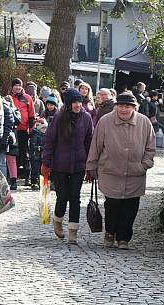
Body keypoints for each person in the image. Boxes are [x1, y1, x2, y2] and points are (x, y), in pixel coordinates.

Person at [86, 90, 155, 249]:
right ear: (116, 106)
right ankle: (110, 232)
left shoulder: (144, 122)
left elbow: (150, 148)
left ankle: (124, 237)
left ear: (134, 107)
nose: (124, 109)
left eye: (128, 106)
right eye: (121, 106)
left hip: (135, 174)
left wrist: (144, 165)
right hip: (110, 171)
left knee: (131, 207)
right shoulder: (105, 121)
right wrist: (91, 167)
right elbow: (96, 146)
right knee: (112, 205)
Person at [41, 88, 94, 245]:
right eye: (74, 102)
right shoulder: (59, 117)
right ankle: (57, 220)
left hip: (79, 164)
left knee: (75, 198)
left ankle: (73, 231)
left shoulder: (86, 117)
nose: (78, 105)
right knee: (62, 197)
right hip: (60, 164)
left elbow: (89, 142)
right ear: (68, 104)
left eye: (79, 102)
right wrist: (46, 162)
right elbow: (50, 141)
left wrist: (90, 166)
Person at [11, 78, 35, 185]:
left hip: (24, 130)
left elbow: (31, 115)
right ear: (12, 87)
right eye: (15, 85)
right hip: (12, 130)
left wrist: (31, 129)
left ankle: (27, 177)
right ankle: (13, 177)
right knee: (13, 154)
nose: (17, 87)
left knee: (25, 153)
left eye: (19, 85)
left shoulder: (27, 98)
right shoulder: (9, 98)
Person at [3, 94, 20, 190]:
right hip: (9, 136)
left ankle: (13, 181)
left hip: (12, 137)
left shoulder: (15, 110)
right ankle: (9, 180)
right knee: (6, 160)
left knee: (11, 160)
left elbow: (18, 121)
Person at [0, 94, 16, 180]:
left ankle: (3, 183)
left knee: (1, 162)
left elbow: (10, 124)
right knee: (2, 161)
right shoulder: (6, 108)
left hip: (3, 139)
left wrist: (4, 138)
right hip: (2, 138)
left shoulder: (5, 108)